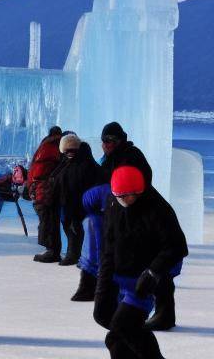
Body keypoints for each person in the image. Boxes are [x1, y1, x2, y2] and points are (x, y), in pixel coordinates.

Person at [94, 166, 188, 359]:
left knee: (124, 326)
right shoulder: (113, 204)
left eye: (130, 196)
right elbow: (108, 248)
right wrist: (102, 284)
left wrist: (153, 272)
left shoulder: (158, 209)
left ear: (140, 191)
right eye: (120, 196)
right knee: (115, 337)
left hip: (144, 283)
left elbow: (177, 246)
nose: (125, 200)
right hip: (119, 278)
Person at [100, 122, 175, 330]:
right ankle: (158, 311)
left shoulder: (130, 156)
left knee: (156, 261)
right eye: (104, 140)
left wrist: (132, 203)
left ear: (120, 140)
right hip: (125, 211)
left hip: (139, 214)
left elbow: (140, 182)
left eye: (111, 141)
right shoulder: (114, 158)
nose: (106, 144)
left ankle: (163, 312)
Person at [54, 134, 102, 266]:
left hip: (78, 205)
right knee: (71, 228)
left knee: (76, 230)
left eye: (72, 150)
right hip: (67, 203)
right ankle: (75, 255)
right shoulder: (67, 163)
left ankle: (75, 255)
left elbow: (79, 186)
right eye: (66, 151)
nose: (69, 153)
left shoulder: (83, 165)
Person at [27, 126, 63, 262]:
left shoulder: (46, 146)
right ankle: (52, 250)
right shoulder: (54, 147)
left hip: (41, 189)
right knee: (49, 219)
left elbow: (38, 169)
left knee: (47, 219)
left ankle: (52, 251)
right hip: (45, 188)